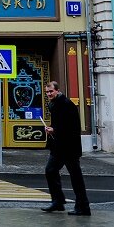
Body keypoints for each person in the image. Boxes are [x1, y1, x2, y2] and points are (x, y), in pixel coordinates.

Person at [42, 81, 90, 216]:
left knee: (76, 177)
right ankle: (58, 202)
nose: (49, 94)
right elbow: (60, 124)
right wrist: (52, 129)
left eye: (51, 91)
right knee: (50, 171)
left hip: (69, 148)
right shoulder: (56, 104)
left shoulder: (66, 104)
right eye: (47, 92)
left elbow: (72, 127)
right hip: (59, 147)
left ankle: (83, 206)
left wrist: (54, 130)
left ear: (57, 90)